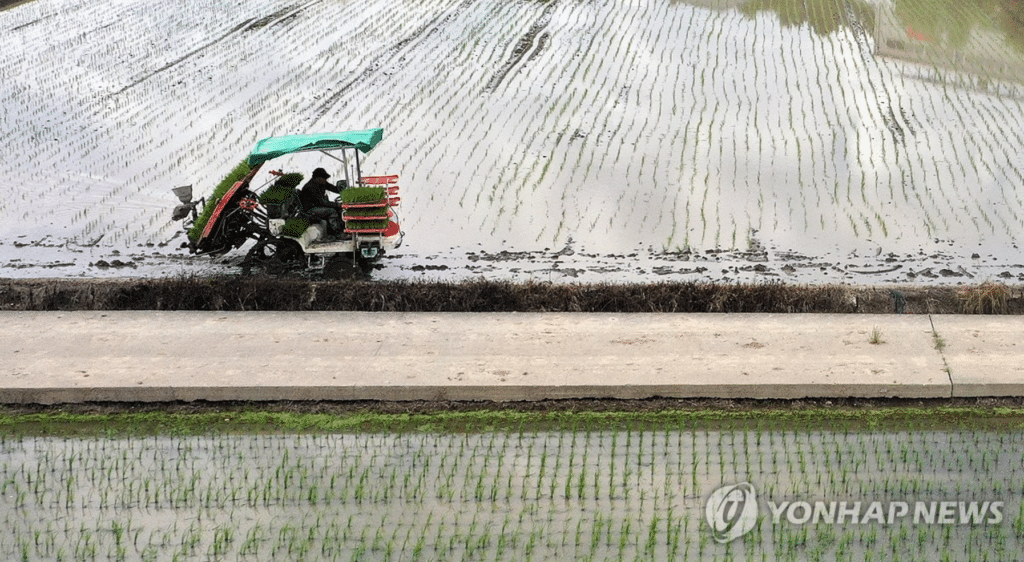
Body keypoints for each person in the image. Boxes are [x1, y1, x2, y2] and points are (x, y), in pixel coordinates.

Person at [299, 168, 344, 235]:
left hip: (318, 206)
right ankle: (338, 233)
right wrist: (338, 204)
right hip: (311, 209)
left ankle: (340, 229)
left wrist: (343, 191)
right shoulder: (310, 187)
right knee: (332, 211)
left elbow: (333, 188)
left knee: (338, 209)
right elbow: (322, 202)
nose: (325, 180)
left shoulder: (321, 183)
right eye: (324, 178)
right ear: (318, 178)